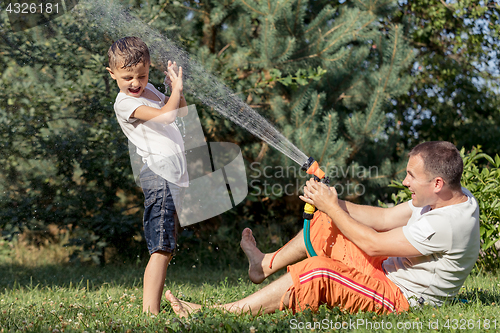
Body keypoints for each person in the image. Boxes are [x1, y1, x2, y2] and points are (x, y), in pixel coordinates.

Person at [165, 141, 480, 316]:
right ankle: (264, 264)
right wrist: (330, 201)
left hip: (401, 298)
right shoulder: (447, 197)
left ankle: (220, 312)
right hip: (384, 272)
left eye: (411, 176)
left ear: (437, 183)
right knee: (326, 222)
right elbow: (383, 219)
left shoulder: (447, 224)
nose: (405, 181)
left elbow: (372, 244)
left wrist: (330, 205)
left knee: (319, 272)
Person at [106, 36, 188, 314]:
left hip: (172, 175)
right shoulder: (124, 104)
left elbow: (181, 110)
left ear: (149, 70)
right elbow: (166, 117)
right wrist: (174, 91)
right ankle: (149, 312)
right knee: (161, 246)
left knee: (166, 244)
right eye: (127, 76)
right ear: (112, 74)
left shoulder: (150, 90)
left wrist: (174, 88)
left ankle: (153, 304)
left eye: (141, 75)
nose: (135, 83)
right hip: (159, 173)